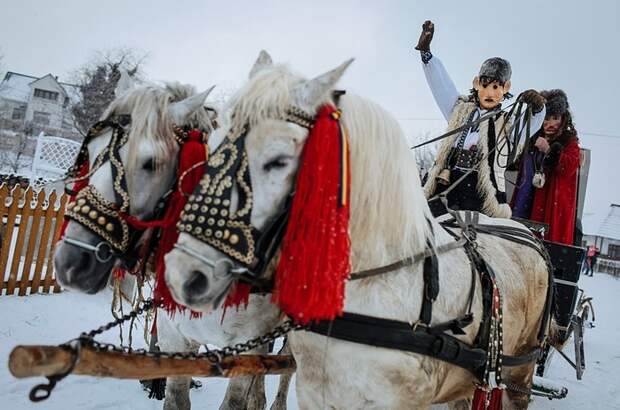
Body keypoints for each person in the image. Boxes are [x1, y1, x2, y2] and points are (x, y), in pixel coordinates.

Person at [415, 20, 547, 218]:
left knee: (471, 235)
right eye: (486, 85)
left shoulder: (507, 123)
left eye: (496, 87)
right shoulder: (459, 110)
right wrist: (426, 54)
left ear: (506, 89)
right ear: (476, 83)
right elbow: (442, 85)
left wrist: (538, 107)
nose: (490, 93)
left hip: (479, 192)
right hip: (446, 181)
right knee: (424, 221)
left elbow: (532, 122)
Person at [523, 90, 581, 245]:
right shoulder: (531, 138)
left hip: (551, 207)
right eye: (546, 118)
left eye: (555, 118)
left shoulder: (569, 142)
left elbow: (569, 166)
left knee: (546, 246)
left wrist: (549, 150)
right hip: (528, 200)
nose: (549, 123)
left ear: (563, 119)